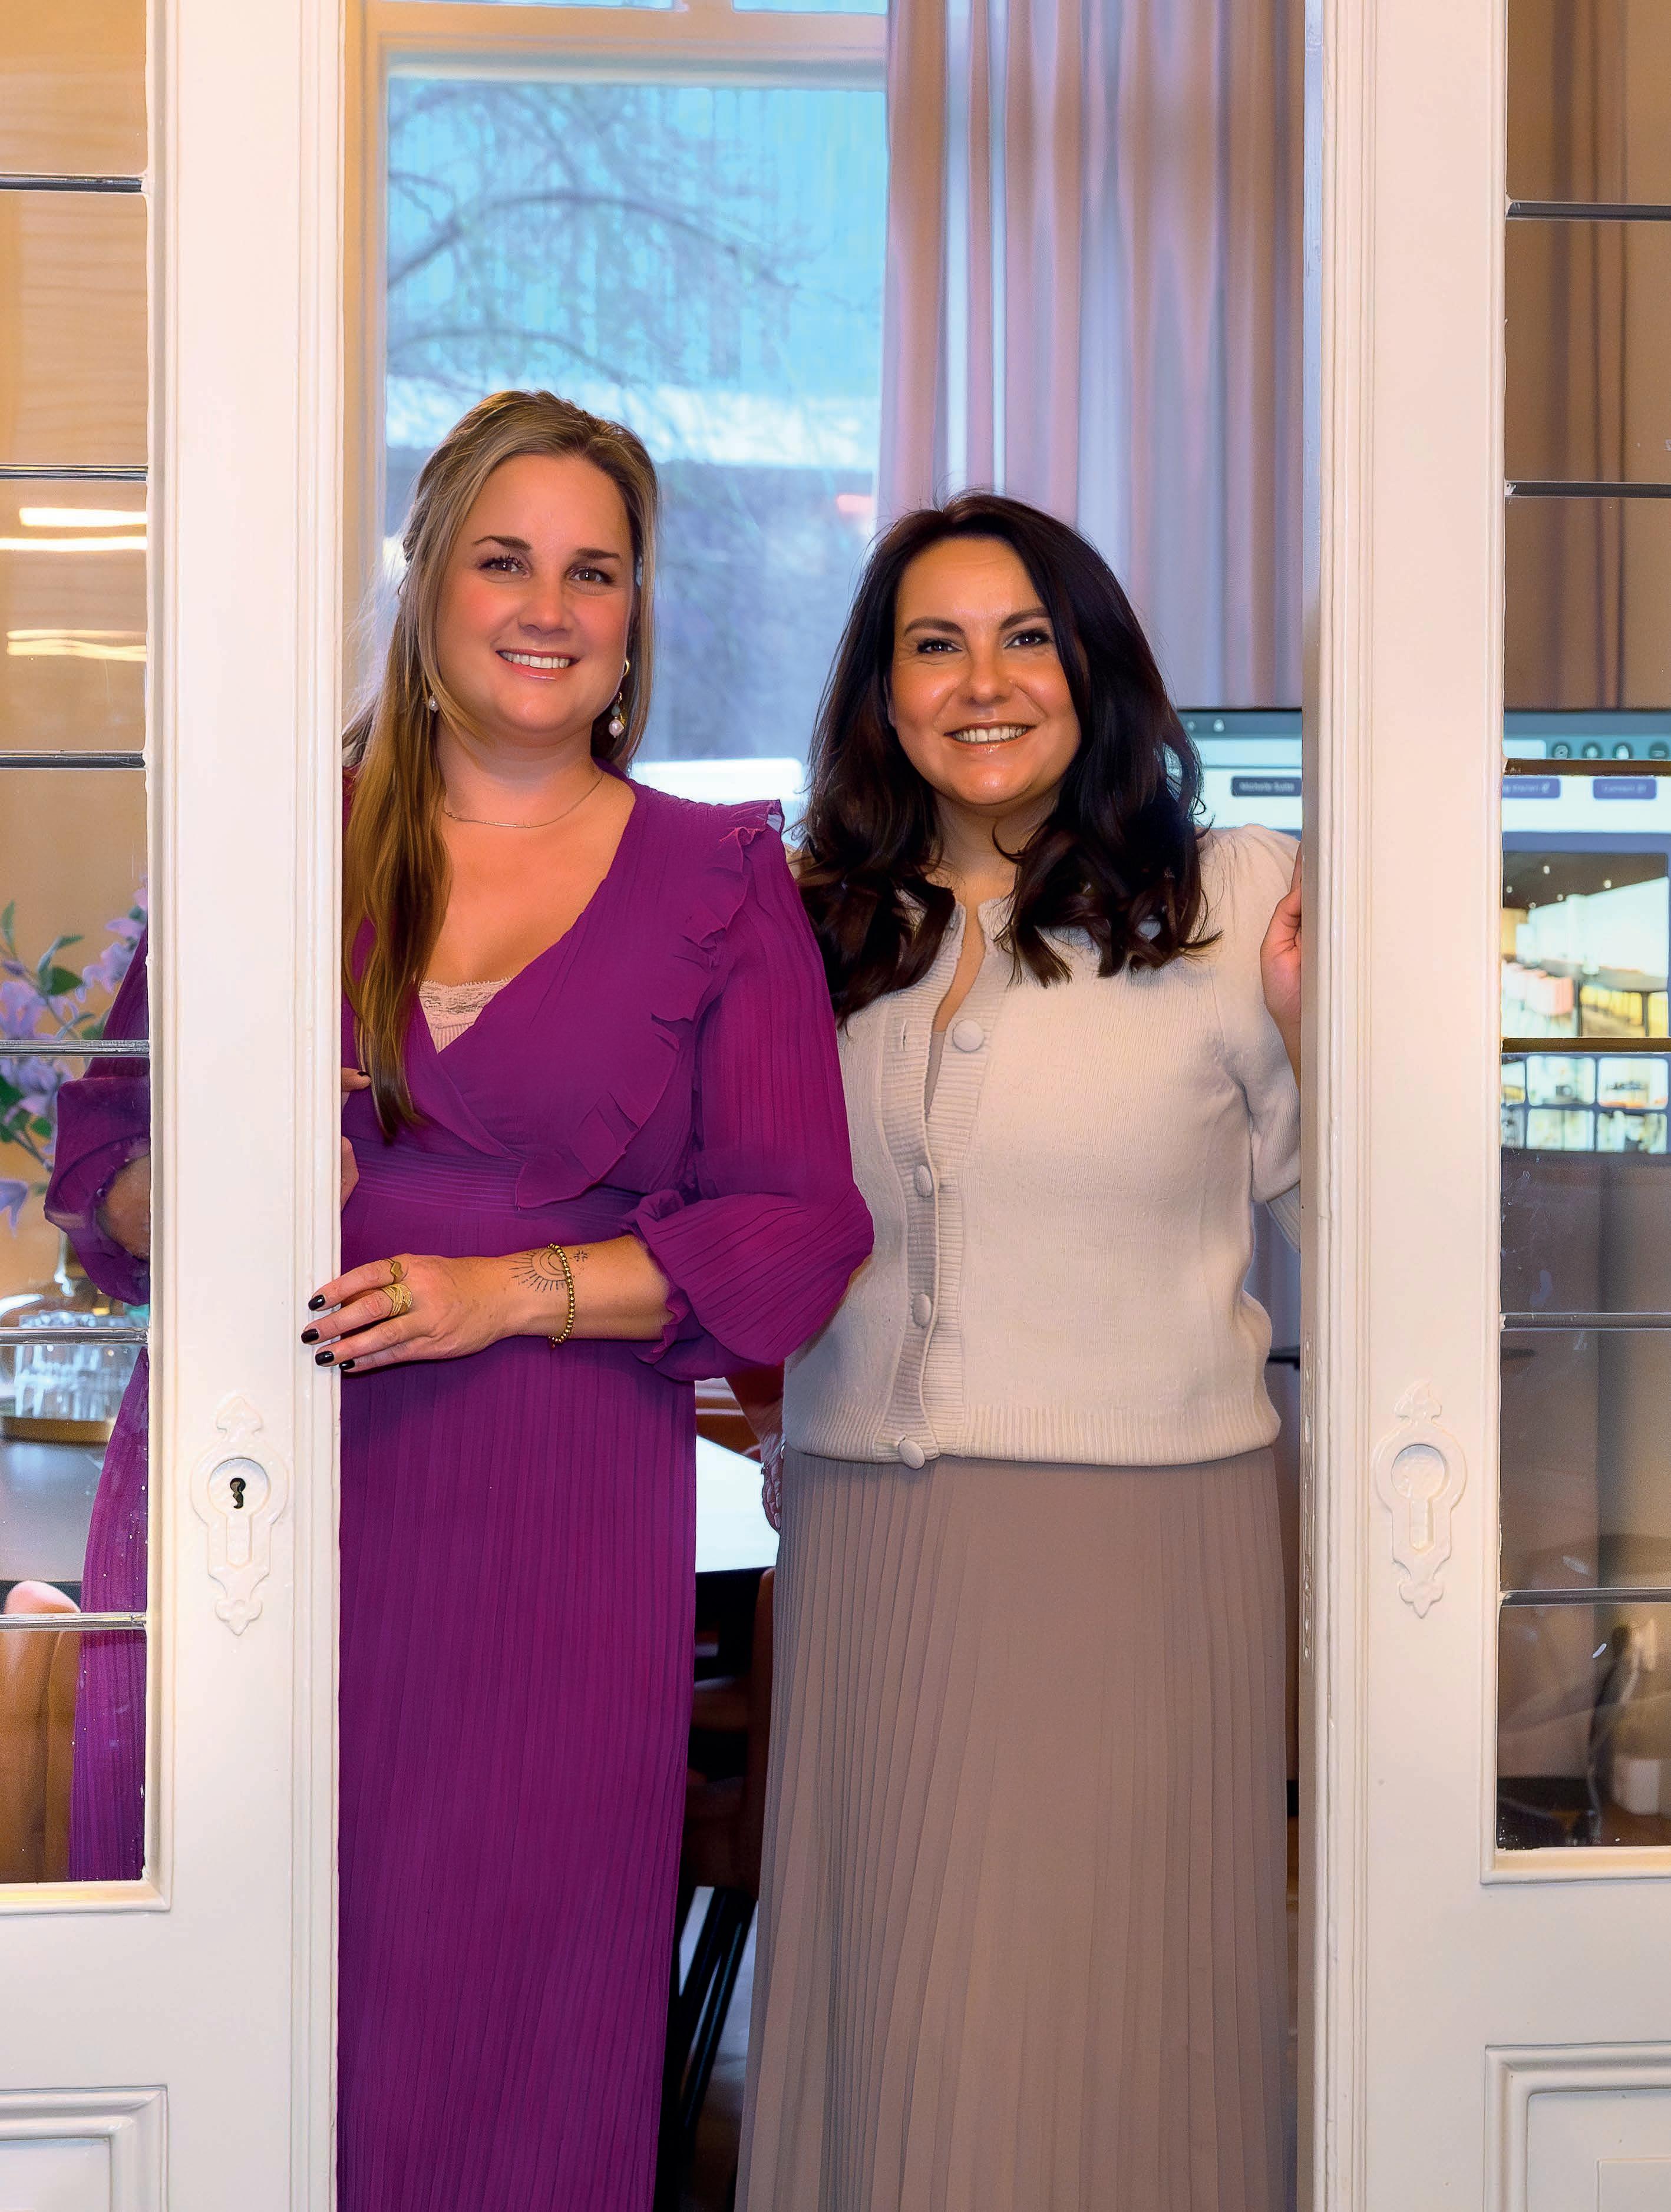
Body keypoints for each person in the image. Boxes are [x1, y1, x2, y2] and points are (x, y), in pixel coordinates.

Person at [48, 389, 871, 2212]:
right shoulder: (279, 840)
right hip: (252, 1496)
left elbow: (799, 1228)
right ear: (426, 587)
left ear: (637, 615)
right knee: (226, 1982)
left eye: (595, 570)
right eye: (506, 559)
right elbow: (100, 1162)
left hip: (544, 1528)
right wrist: (222, 1185)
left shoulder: (720, 878)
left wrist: (515, 1291)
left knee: (503, 2010)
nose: (549, 607)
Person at [734, 492, 1302, 2212]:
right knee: (888, 2022)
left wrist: (1330, 1035)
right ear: (880, 692)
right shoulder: (809, 925)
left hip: (1139, 1550)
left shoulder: (1235, 897)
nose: (982, 683)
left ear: (1094, 668)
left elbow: (1384, 1223)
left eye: (1025, 639)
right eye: (934, 644)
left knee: (1100, 2023)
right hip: (865, 1539)